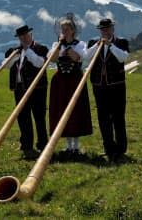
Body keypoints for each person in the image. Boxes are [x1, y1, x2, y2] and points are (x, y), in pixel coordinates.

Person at [85, 18, 130, 162]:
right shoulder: (93, 43)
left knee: (118, 118)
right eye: (102, 30)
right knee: (103, 118)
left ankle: (121, 149)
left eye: (107, 29)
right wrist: (97, 45)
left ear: (112, 29)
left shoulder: (121, 42)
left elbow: (122, 58)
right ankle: (109, 148)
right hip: (99, 86)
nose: (104, 32)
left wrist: (110, 45)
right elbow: (86, 57)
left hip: (116, 86)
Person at [48, 16, 92, 154]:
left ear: (73, 31)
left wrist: (67, 49)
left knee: (76, 110)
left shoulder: (80, 44)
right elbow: (52, 59)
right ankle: (68, 145)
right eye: (62, 30)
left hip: (74, 80)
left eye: (67, 29)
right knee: (61, 109)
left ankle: (76, 146)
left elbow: (78, 58)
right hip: (60, 81)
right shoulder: (56, 45)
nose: (64, 32)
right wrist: (60, 45)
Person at [5, 24, 49, 158]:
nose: (24, 38)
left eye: (26, 35)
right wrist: (14, 57)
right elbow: (6, 65)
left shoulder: (41, 48)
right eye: (21, 36)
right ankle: (26, 144)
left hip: (37, 89)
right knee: (23, 117)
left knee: (39, 116)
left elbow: (39, 63)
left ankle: (42, 144)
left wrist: (27, 51)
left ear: (31, 35)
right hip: (19, 88)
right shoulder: (13, 51)